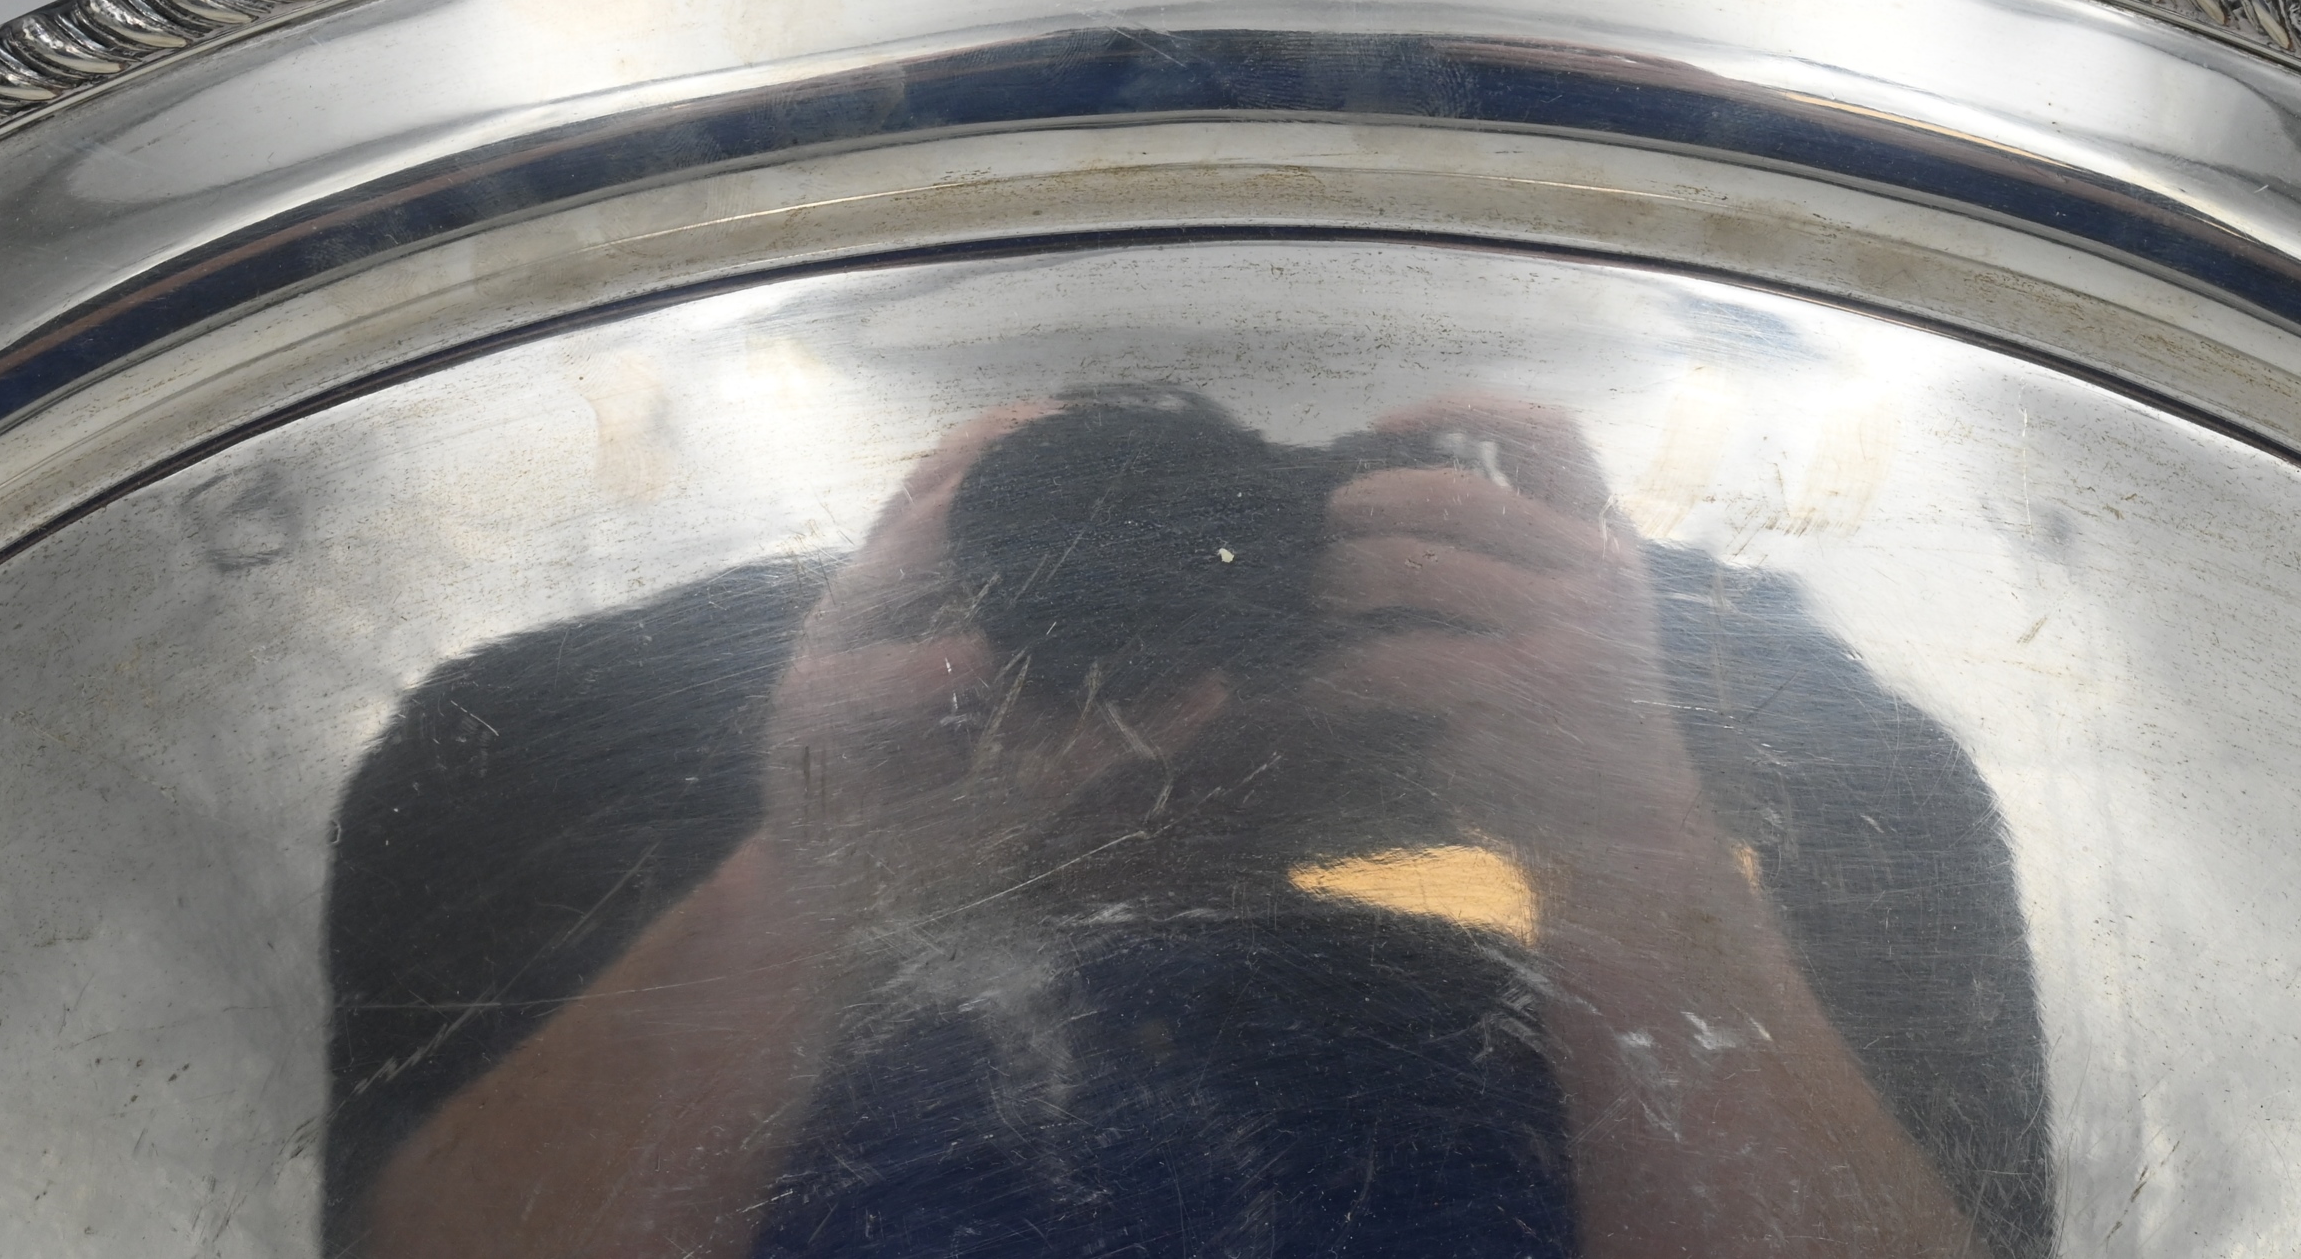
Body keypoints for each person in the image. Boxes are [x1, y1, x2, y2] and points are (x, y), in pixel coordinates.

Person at [325, 391, 2050, 1257]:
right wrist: (815, 871)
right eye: (1072, 555)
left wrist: (1628, 846)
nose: (1186, 635)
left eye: (1270, 550)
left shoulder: (1801, 797)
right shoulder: (568, 781)